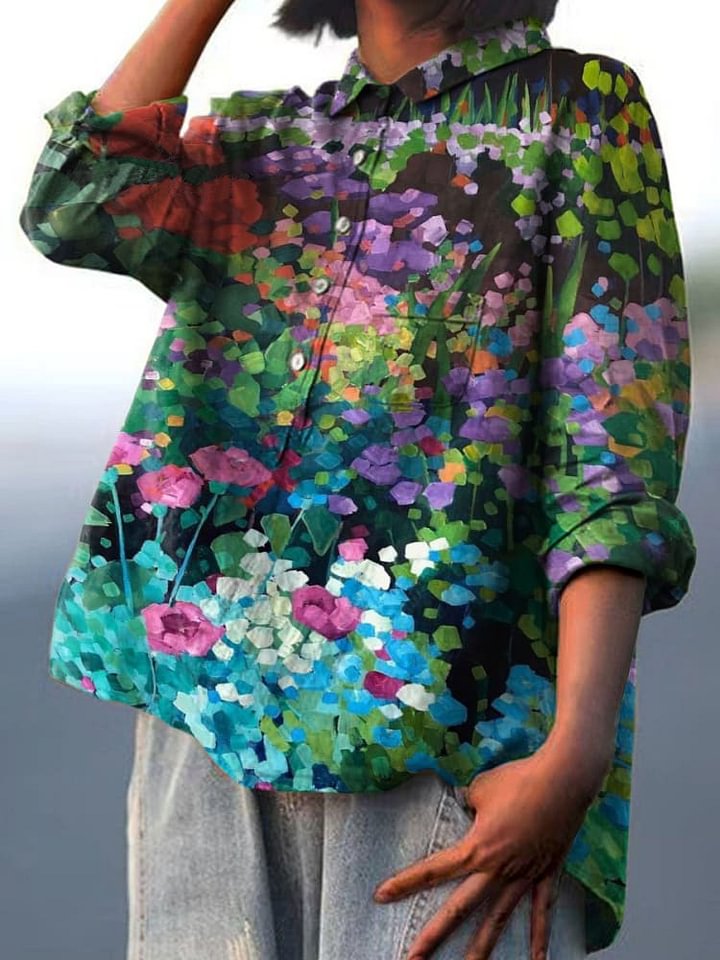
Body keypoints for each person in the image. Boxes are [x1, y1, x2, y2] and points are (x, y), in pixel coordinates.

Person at [18, 1, 697, 958]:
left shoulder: (574, 110)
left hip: (457, 727)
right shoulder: (262, 140)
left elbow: (611, 453)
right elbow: (72, 205)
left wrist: (575, 755)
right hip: (207, 713)